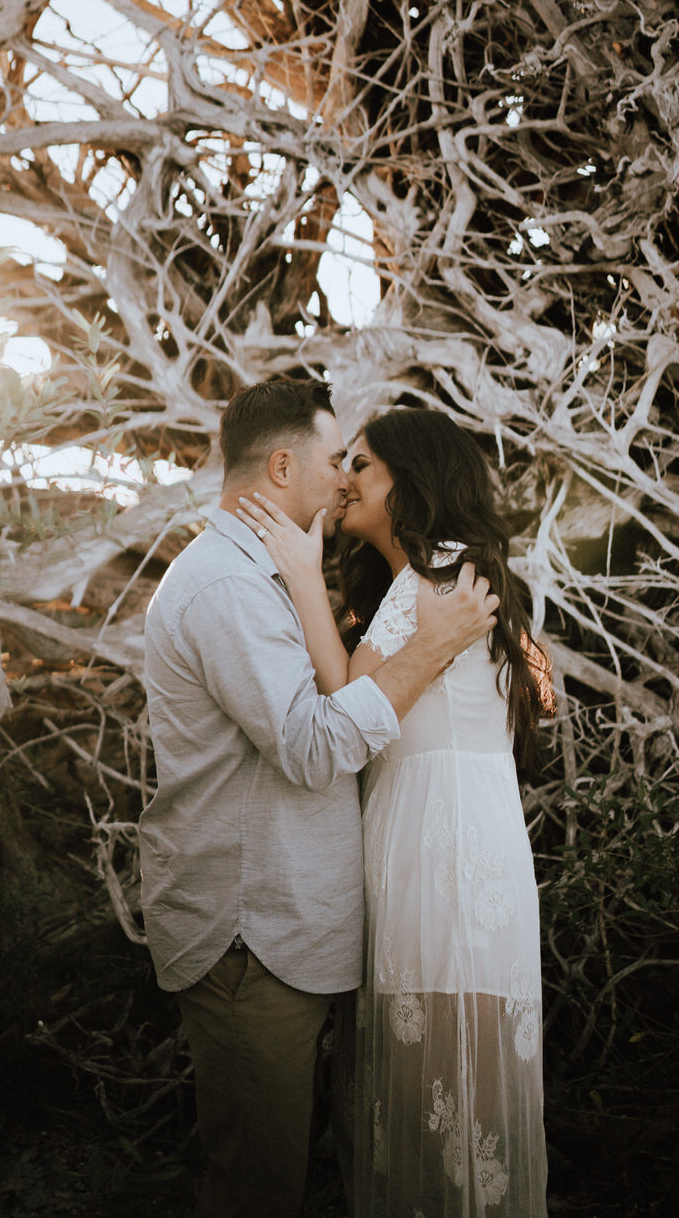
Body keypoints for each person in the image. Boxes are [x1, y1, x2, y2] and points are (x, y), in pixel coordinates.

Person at [139, 379, 500, 1218]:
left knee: (287, 1178)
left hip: (287, 930)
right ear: (278, 467)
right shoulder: (226, 589)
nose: (343, 478)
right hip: (249, 936)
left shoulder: (262, 576)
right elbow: (311, 749)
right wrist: (434, 648)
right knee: (257, 1189)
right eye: (335, 459)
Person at [236, 406, 551, 1218]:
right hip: (463, 823)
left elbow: (347, 700)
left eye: (363, 465)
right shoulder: (447, 577)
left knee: (436, 1066)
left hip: (437, 834)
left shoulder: (433, 578)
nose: (344, 477)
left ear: (409, 482)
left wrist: (302, 575)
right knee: (449, 1064)